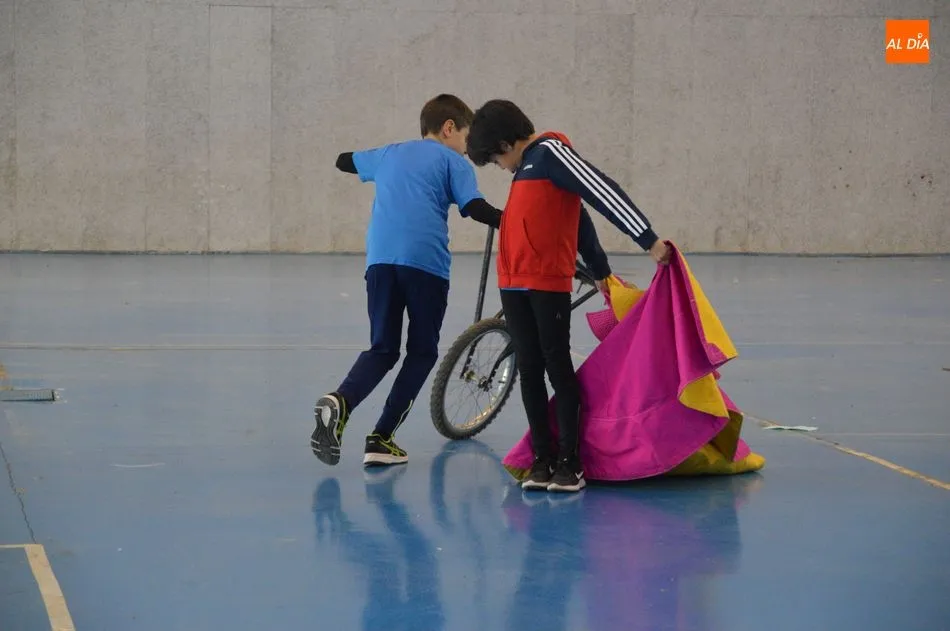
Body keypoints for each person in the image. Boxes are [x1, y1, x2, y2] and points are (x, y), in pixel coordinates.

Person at [466, 99, 672, 492]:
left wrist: (647, 239)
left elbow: (600, 192)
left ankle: (570, 462)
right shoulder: (525, 170)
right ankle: (542, 458)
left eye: (495, 159)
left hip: (546, 284)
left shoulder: (550, 153)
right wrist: (599, 269)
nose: (500, 166)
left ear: (507, 143)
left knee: (556, 366)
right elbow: (577, 218)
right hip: (513, 283)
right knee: (529, 369)